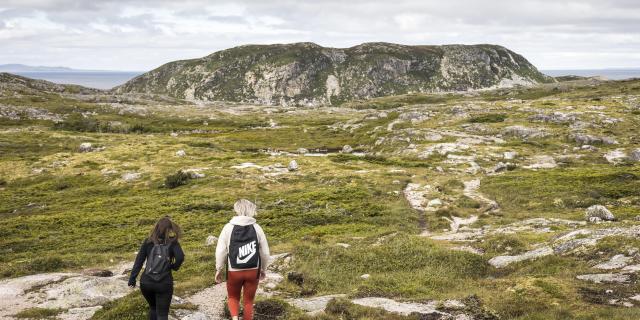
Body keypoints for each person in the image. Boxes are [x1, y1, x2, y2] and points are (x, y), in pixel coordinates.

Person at [215, 199, 271, 320]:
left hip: (234, 270)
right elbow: (265, 252)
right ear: (251, 210)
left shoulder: (228, 227)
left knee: (233, 297)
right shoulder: (257, 228)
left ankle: (235, 318)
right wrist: (263, 269)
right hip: (253, 270)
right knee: (249, 301)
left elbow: (220, 251)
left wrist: (218, 269)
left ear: (236, 209)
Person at [128, 216, 185, 320]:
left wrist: (132, 279)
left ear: (156, 227)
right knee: (162, 314)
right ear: (170, 229)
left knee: (153, 308)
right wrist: (174, 267)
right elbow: (180, 257)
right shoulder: (173, 242)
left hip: (146, 282)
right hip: (164, 283)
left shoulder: (148, 241)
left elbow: (139, 261)